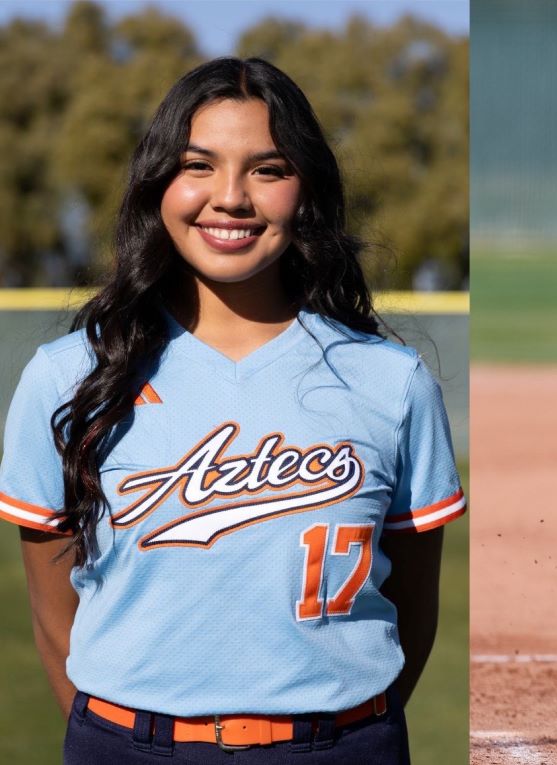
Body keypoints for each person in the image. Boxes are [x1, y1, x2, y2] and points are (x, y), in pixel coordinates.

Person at [0, 57, 465, 764]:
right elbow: (52, 612)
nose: (231, 197)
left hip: (342, 744)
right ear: (158, 184)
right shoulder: (69, 378)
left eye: (268, 169)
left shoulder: (391, 383)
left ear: (305, 188)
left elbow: (414, 612)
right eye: (198, 165)